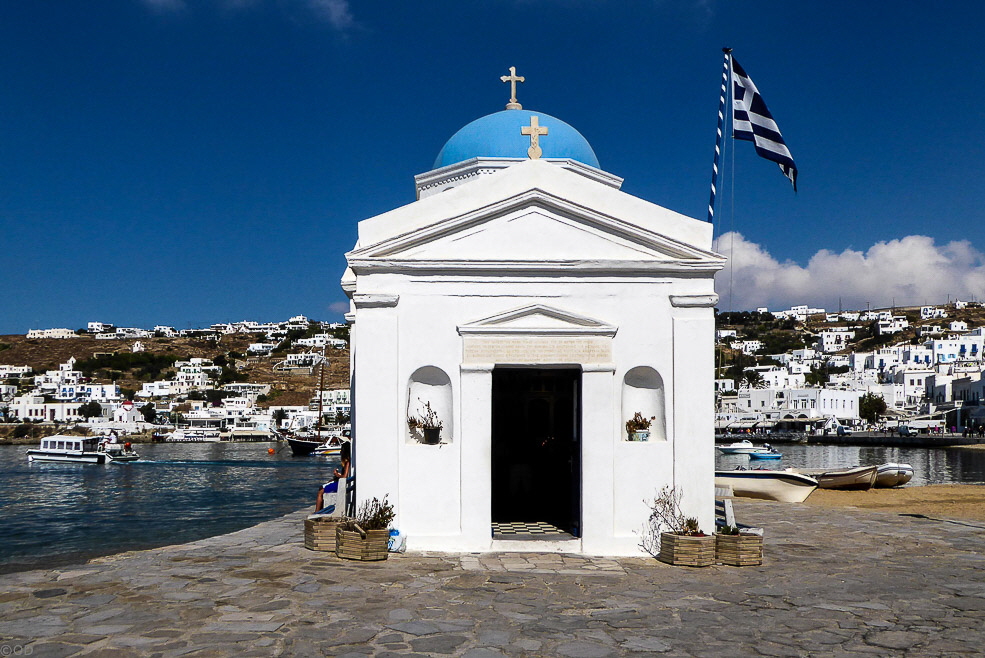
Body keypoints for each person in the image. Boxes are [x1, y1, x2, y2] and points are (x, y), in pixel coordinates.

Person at [315, 440, 351, 513]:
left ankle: (317, 511)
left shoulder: (347, 463)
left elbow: (344, 477)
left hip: (341, 484)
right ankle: (320, 510)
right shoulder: (347, 462)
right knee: (322, 487)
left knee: (320, 491)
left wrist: (336, 474)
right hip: (339, 482)